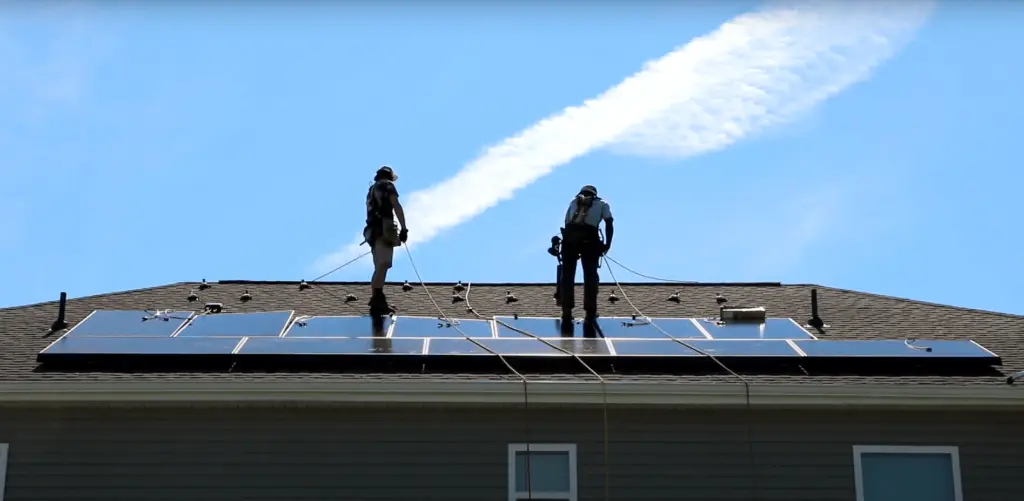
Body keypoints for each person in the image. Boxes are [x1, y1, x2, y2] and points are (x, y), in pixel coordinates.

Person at [559, 185, 613, 328]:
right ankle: (590, 312)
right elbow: (609, 223)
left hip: (569, 242)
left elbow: (566, 223)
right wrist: (607, 244)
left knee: (567, 276)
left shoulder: (573, 202)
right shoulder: (602, 204)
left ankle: (566, 311)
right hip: (590, 242)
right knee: (590, 276)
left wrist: (570, 245)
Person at [362, 166, 408, 315]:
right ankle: (377, 299)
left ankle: (378, 298)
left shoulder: (371, 190)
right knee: (383, 264)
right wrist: (404, 228)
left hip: (373, 232)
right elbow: (396, 205)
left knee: (380, 266)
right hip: (384, 229)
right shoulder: (387, 185)